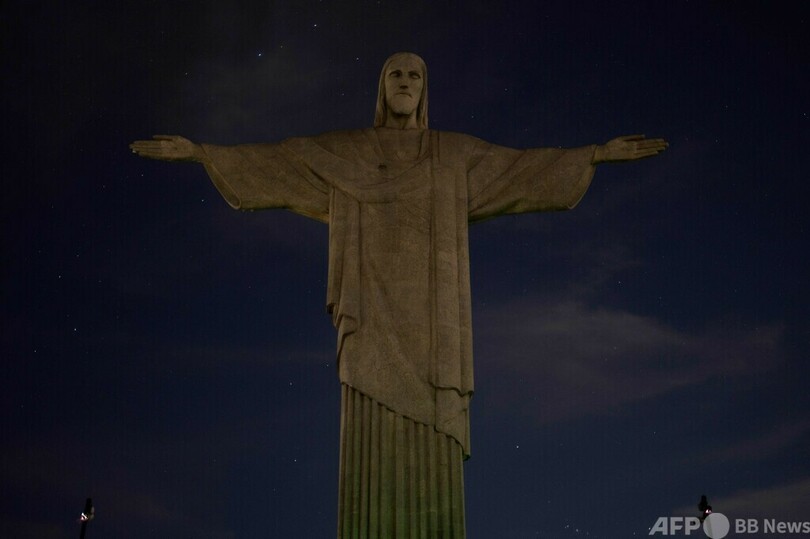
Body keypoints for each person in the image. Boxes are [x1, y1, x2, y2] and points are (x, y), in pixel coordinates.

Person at [131, 51, 667, 538]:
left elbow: (520, 167)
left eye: (415, 75)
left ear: (425, 90)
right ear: (382, 88)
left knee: (432, 432)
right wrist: (203, 153)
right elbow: (283, 161)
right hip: (367, 315)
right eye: (396, 75)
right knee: (368, 430)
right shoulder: (350, 152)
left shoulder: (453, 155)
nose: (406, 82)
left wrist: (594, 155)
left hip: (434, 329)